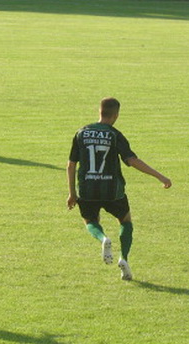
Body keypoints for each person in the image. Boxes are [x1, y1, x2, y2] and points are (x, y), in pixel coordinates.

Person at [67, 97, 172, 281]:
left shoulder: (81, 133)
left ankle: (103, 239)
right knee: (125, 221)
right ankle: (124, 258)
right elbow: (132, 161)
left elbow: (71, 165)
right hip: (112, 189)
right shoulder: (115, 135)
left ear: (99, 111)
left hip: (87, 188)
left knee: (90, 220)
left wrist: (72, 193)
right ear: (116, 115)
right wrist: (160, 176)